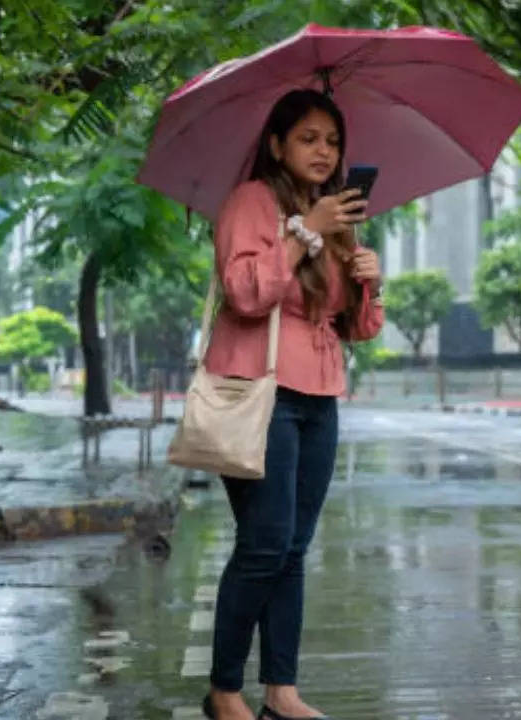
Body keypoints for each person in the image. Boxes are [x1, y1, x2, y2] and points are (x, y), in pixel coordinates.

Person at [201, 89, 384, 720]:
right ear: (277, 144)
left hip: (319, 398)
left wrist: (368, 278)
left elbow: (353, 327)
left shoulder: (332, 215)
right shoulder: (250, 202)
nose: (324, 151)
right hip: (260, 392)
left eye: (332, 141)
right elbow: (246, 293)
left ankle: (281, 690)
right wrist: (306, 233)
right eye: (308, 138)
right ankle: (224, 691)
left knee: (294, 549)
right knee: (264, 544)